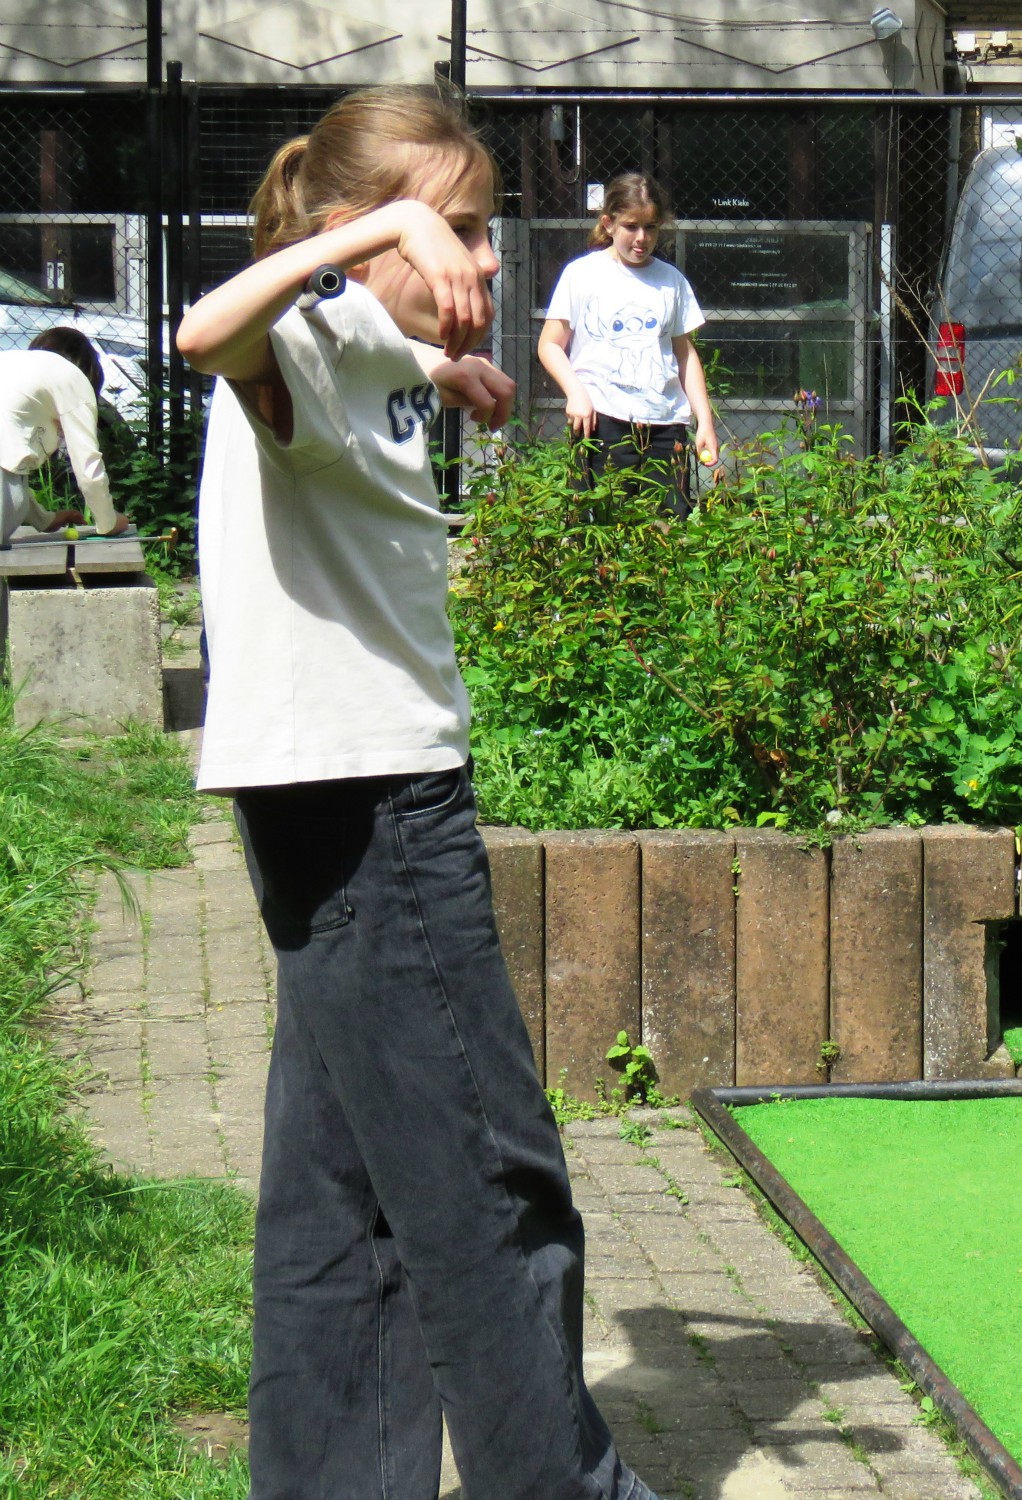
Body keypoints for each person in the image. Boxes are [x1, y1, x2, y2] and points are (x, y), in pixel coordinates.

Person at [175, 85, 661, 1500]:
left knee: (345, 1200)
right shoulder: (302, 330)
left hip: (338, 796)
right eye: (454, 229)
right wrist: (374, 231)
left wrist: (438, 371)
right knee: (491, 1186)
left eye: (480, 230)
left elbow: (336, 375)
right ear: (351, 233)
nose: (485, 260)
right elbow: (213, 333)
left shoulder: (361, 346)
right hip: (377, 802)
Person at [538, 170, 720, 518]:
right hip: (603, 420)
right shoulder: (582, 275)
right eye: (631, 226)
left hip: (666, 424)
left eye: (650, 227)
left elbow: (685, 355)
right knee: (603, 526)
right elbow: (549, 344)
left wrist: (705, 423)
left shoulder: (671, 281)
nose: (642, 237)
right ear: (608, 223)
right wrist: (576, 393)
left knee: (669, 525)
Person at [0, 326, 129, 546]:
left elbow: (8, 468)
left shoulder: (12, 364)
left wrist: (45, 520)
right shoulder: (73, 378)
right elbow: (88, 470)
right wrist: (109, 522)